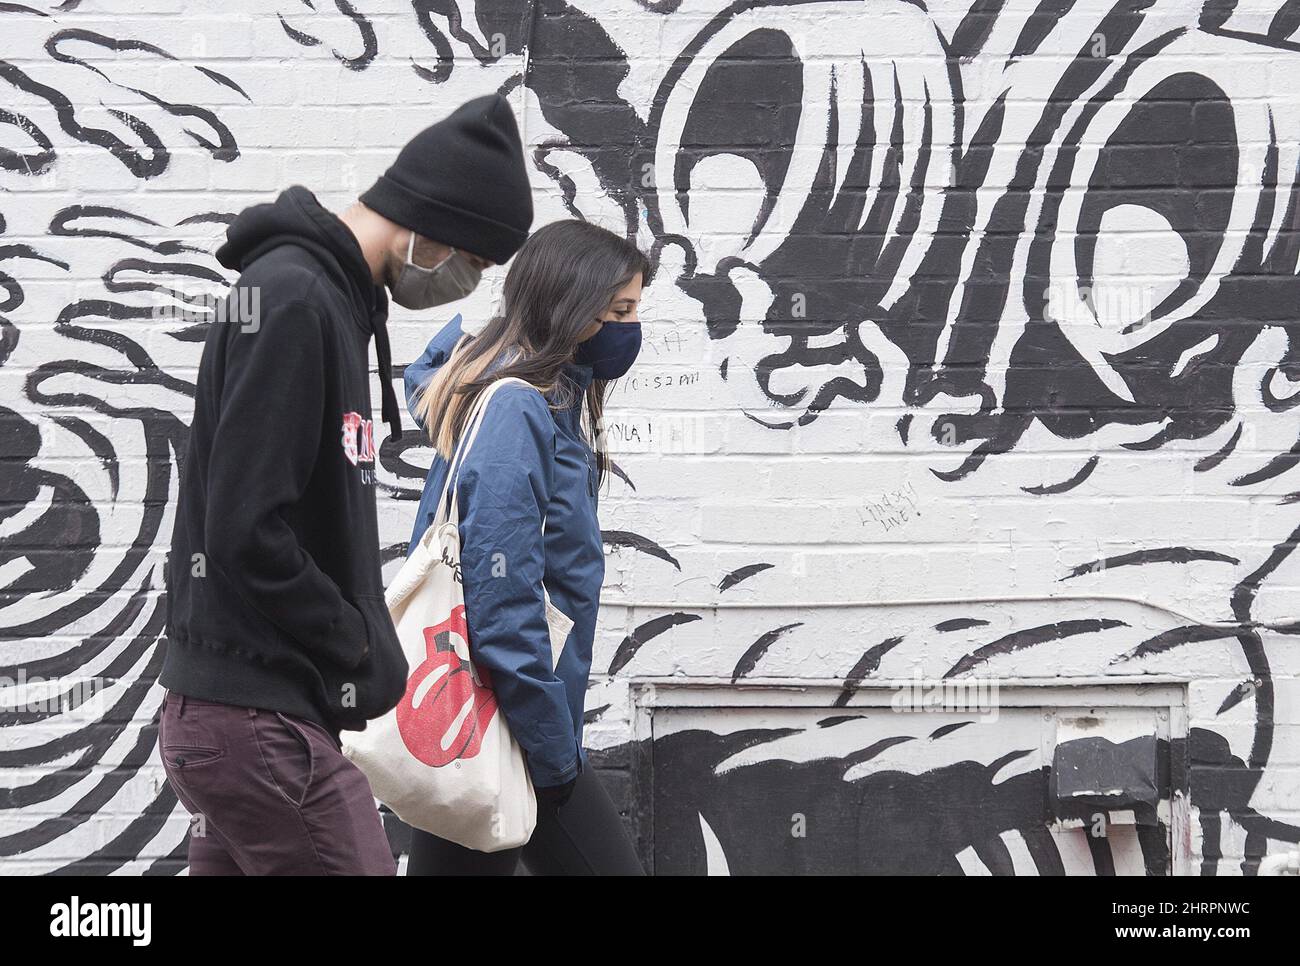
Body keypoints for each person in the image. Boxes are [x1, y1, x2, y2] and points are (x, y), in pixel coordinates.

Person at [158, 94, 535, 875]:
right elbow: (244, 529)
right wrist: (357, 639)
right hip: (256, 720)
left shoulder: (325, 300)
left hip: (246, 719)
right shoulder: (297, 301)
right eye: (474, 260)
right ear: (428, 230)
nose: (467, 282)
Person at [402, 219, 648, 875]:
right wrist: (553, 756)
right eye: (620, 311)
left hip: (486, 717)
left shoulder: (551, 397)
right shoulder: (518, 408)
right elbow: (502, 598)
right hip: (508, 721)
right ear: (571, 306)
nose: (631, 331)